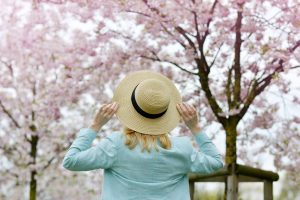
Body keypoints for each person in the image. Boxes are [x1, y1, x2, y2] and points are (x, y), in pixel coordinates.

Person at [62, 70, 223, 200]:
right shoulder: (182, 148)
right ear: (165, 114)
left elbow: (71, 161)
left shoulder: (115, 145)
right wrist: (195, 128)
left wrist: (95, 126)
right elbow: (216, 162)